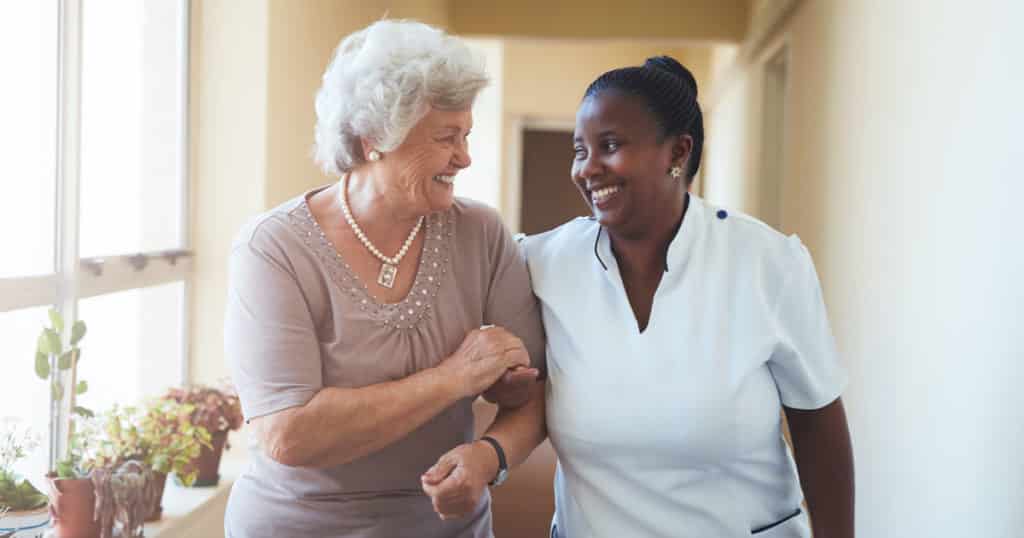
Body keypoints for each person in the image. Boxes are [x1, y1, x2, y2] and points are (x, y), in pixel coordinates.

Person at [421, 56, 855, 538]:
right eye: (579, 150)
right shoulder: (541, 263)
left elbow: (818, 426)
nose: (588, 169)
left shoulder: (767, 263)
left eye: (610, 146)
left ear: (678, 152)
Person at [223, 20, 545, 538]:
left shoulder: (480, 233)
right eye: (446, 137)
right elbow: (289, 434)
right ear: (375, 139)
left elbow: (533, 394)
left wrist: (489, 456)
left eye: (466, 135)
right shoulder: (274, 247)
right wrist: (455, 378)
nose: (464, 157)